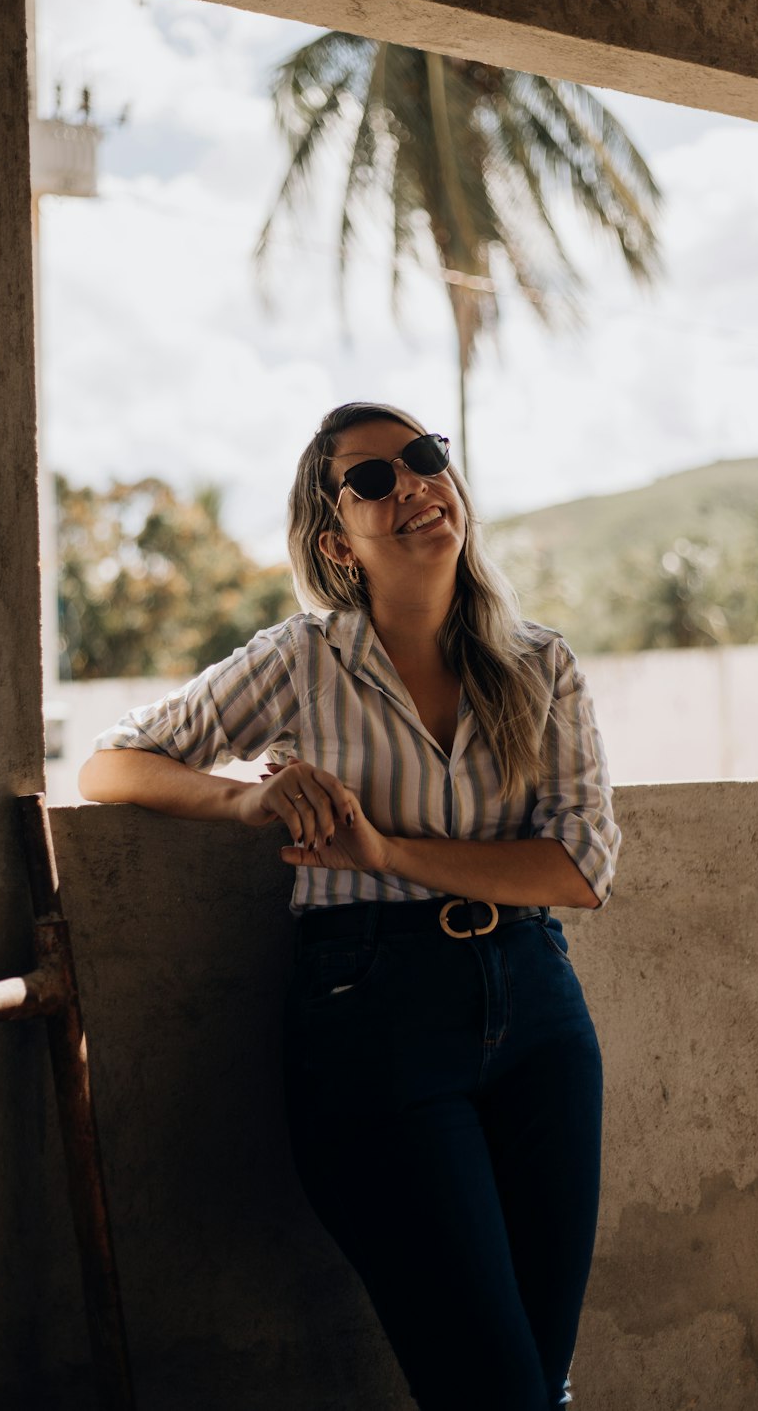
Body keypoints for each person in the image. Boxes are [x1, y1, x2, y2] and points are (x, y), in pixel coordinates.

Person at [79, 401, 621, 1411]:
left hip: (540, 1017)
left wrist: (383, 849)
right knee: (492, 1389)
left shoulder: (540, 665)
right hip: (372, 1014)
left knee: (540, 1384)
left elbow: (578, 870)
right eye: (372, 479)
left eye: (422, 460)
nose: (411, 484)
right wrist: (248, 802)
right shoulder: (300, 661)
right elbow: (112, 763)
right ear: (336, 539)